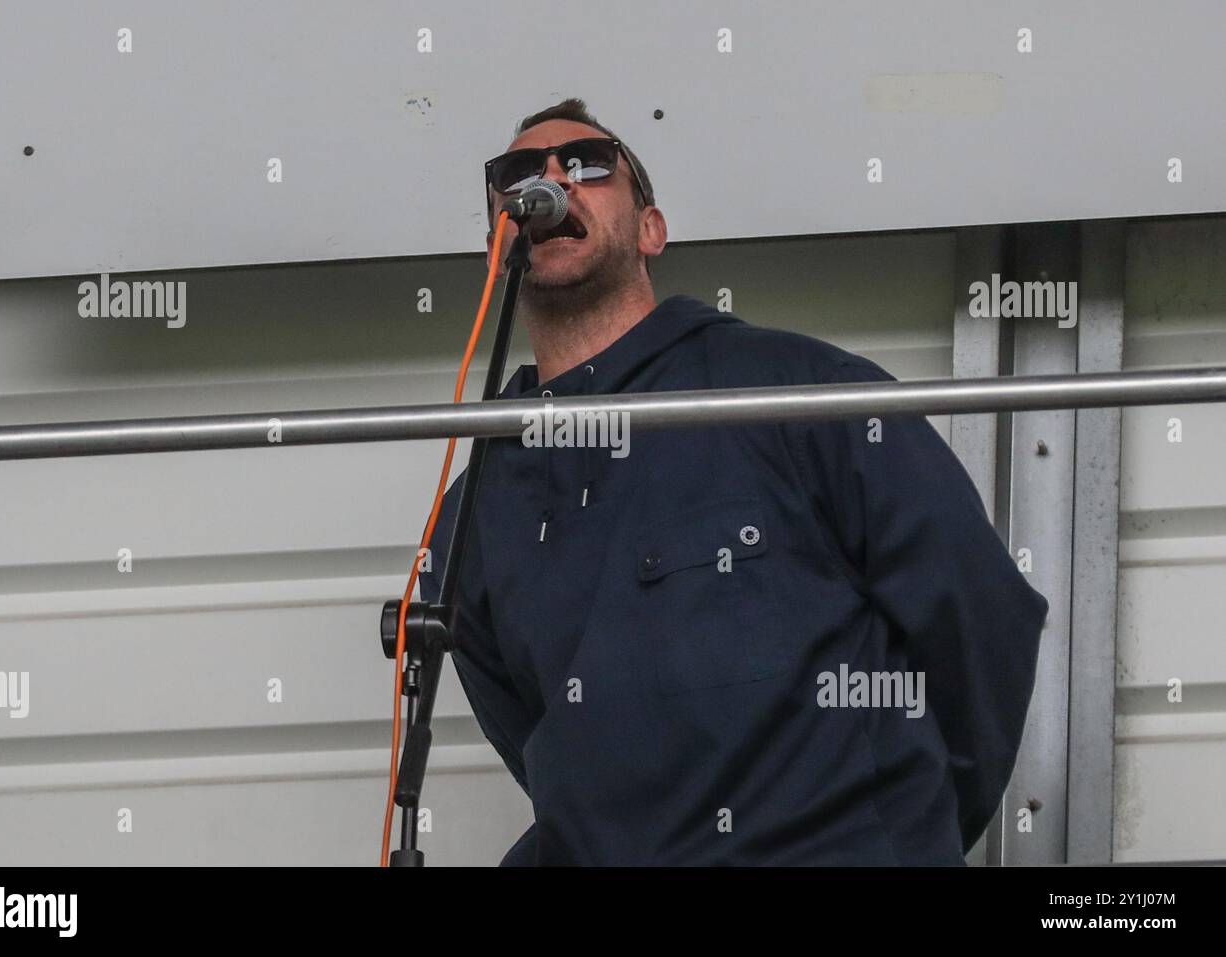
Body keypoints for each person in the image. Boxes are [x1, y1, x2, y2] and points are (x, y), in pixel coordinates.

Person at [418, 98, 1048, 865]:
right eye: (517, 173)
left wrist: (902, 833)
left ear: (651, 228)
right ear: (498, 242)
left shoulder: (794, 391)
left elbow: (978, 613)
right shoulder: (473, 507)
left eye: (587, 162)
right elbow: (533, 738)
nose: (549, 179)